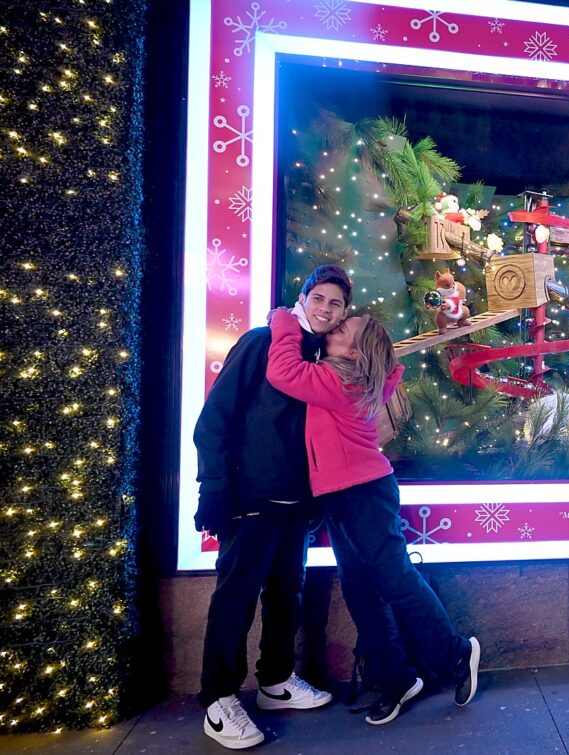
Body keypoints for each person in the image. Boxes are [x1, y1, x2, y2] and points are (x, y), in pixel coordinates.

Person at [266, 307, 481, 725]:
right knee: (360, 588)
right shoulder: (350, 377)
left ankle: (456, 654)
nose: (335, 325)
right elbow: (391, 371)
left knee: (394, 579)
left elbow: (282, 372)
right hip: (342, 495)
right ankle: (396, 678)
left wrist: (284, 321)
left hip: (363, 491)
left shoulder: (340, 379)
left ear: (357, 351)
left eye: (345, 327)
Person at [193, 266, 350, 749]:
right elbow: (216, 416)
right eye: (318, 298)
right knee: (235, 596)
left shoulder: (326, 359)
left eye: (336, 303)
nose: (325, 309)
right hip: (252, 497)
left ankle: (276, 682)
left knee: (287, 594)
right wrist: (214, 486)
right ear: (303, 298)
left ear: (345, 312)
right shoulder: (262, 341)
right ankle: (218, 699)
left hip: (296, 502)